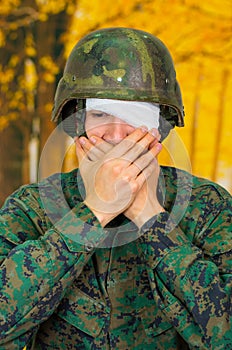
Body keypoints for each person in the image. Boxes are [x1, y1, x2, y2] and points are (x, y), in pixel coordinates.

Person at [0, 27, 231, 350]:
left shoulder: (208, 207)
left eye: (135, 115)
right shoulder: (31, 207)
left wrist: (150, 215)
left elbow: (224, 336)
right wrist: (95, 210)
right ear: (78, 121)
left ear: (160, 127)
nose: (118, 133)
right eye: (101, 114)